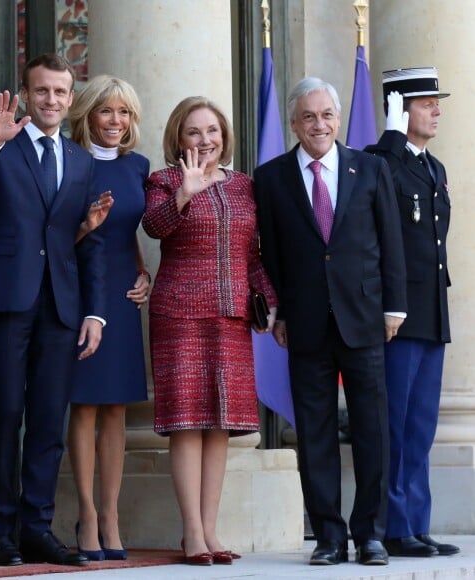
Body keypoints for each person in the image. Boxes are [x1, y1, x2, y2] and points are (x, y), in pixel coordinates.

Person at [0, 53, 107, 567]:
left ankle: (36, 527)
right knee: (5, 416)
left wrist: (95, 312)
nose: (51, 101)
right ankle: (0, 532)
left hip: (61, 307)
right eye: (41, 91)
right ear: (26, 94)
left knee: (48, 421)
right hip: (4, 299)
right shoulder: (1, 144)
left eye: (60, 93)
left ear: (70, 99)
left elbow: (83, 242)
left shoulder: (82, 161)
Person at [254, 77, 407, 566]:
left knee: (371, 429)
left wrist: (394, 308)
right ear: (294, 122)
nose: (318, 124)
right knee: (314, 432)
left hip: (364, 318)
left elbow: (391, 243)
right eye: (307, 116)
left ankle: (371, 535)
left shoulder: (372, 168)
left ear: (338, 119)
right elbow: (271, 252)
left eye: (326, 115)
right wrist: (275, 310)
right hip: (304, 322)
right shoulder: (272, 177)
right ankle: (329, 536)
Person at [142, 96, 276, 567]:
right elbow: (154, 227)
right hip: (179, 315)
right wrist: (186, 191)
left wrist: (272, 305)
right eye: (195, 132)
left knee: (220, 426)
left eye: (213, 131)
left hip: (232, 317)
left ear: (225, 136)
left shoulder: (244, 187)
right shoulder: (163, 181)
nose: (206, 140)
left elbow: (253, 256)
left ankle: (213, 531)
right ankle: (191, 534)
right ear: (179, 138)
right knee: (186, 425)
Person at [365, 67, 458, 558]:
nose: (436, 109)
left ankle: (417, 523)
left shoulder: (433, 168)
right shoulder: (382, 162)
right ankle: (394, 525)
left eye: (435, 101)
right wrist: (392, 135)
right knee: (396, 425)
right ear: (400, 109)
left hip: (431, 312)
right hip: (396, 317)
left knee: (421, 426)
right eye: (425, 102)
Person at [66, 75, 150, 561]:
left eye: (124, 112)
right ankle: (87, 515)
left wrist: (145, 275)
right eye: (106, 111)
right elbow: (58, 236)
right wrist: (84, 226)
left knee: (117, 407)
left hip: (121, 292)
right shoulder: (72, 162)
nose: (116, 121)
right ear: (88, 115)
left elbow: (131, 234)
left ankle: (112, 515)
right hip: (77, 292)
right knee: (84, 405)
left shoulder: (138, 167)